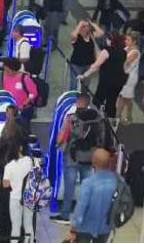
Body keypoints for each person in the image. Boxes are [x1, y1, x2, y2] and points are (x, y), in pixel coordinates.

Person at [51, 93, 96, 225]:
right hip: (89, 157)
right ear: (88, 103)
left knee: (69, 188)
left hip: (72, 157)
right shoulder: (96, 118)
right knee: (86, 188)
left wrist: (57, 144)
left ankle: (65, 215)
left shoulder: (72, 118)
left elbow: (62, 137)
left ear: (77, 102)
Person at [65, 149, 117, 243]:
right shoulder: (115, 182)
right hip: (105, 228)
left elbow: (81, 207)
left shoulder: (88, 183)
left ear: (94, 162)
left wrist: (73, 229)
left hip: (85, 228)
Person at [79, 32, 127, 119]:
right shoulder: (123, 51)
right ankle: (111, 123)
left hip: (107, 81)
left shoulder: (107, 51)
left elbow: (96, 66)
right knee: (111, 102)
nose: (106, 40)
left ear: (111, 40)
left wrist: (84, 75)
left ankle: (100, 116)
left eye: (108, 39)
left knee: (97, 100)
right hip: (119, 81)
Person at [2, 138, 34, 243]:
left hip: (15, 198)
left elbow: (5, 185)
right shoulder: (29, 161)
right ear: (20, 148)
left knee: (16, 226)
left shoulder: (9, 166)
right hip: (29, 197)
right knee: (28, 225)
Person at [69, 20, 103, 90]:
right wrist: (80, 24)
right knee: (74, 85)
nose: (85, 28)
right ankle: (73, 100)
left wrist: (92, 24)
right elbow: (73, 35)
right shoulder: (76, 37)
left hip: (88, 64)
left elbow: (101, 33)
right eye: (83, 27)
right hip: (76, 64)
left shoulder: (91, 35)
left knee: (85, 86)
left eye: (87, 26)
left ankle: (83, 99)